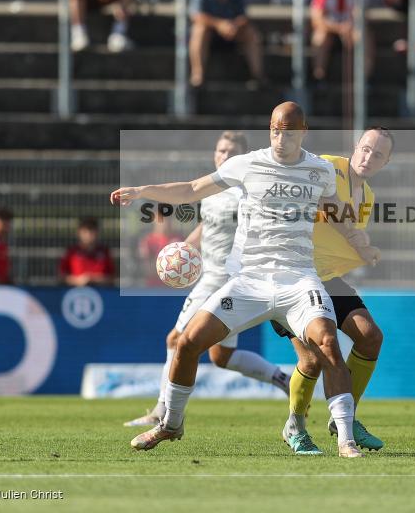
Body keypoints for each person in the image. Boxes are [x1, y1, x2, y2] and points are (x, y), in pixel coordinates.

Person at [112, 102, 377, 458]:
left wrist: (360, 242)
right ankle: (170, 424)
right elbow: (191, 189)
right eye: (274, 129)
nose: (280, 138)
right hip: (249, 281)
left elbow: (338, 215)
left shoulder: (320, 170)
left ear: (303, 132)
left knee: (328, 344)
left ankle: (345, 438)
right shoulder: (248, 163)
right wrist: (143, 190)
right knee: (188, 342)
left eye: (288, 131)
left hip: (298, 280)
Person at [124, 131, 291, 428]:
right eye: (220, 150)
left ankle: (161, 411)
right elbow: (207, 223)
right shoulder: (213, 189)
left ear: (241, 157)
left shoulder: (248, 192)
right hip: (212, 276)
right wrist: (184, 250)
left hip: (223, 279)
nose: (223, 156)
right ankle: (282, 378)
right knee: (221, 356)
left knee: (175, 340)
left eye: (230, 152)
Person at [275, 127, 391, 455]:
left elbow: (344, 239)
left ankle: (346, 418)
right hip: (290, 275)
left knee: (370, 336)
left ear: (386, 162)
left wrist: (366, 251)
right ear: (356, 147)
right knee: (313, 358)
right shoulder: (326, 166)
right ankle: (294, 425)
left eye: (378, 154)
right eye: (366, 149)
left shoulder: (367, 197)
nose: (369, 157)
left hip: (326, 278)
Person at [188, 0, 266, 88]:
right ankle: (198, 75)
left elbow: (244, 17)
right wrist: (219, 24)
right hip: (210, 35)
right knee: (199, 30)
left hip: (231, 34)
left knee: (251, 33)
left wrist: (234, 26)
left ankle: (257, 76)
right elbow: (196, 16)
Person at [310, 0, 375, 82]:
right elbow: (317, 19)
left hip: (348, 28)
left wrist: (350, 25)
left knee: (363, 36)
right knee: (320, 37)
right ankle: (319, 77)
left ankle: (364, 78)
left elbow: (361, 16)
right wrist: (338, 27)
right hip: (330, 28)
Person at [59, 216, 115, 287]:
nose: (88, 235)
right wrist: (78, 281)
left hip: (101, 293)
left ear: (97, 232)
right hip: (76, 293)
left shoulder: (104, 252)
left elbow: (112, 278)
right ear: (79, 232)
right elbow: (61, 277)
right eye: (85, 231)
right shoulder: (71, 252)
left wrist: (93, 279)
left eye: (91, 231)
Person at [138, 213, 184, 287]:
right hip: (154, 286)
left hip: (175, 286)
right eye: (161, 220)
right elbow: (147, 268)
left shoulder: (178, 240)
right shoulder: (148, 240)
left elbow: (184, 264)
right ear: (155, 221)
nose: (164, 223)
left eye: (167, 220)